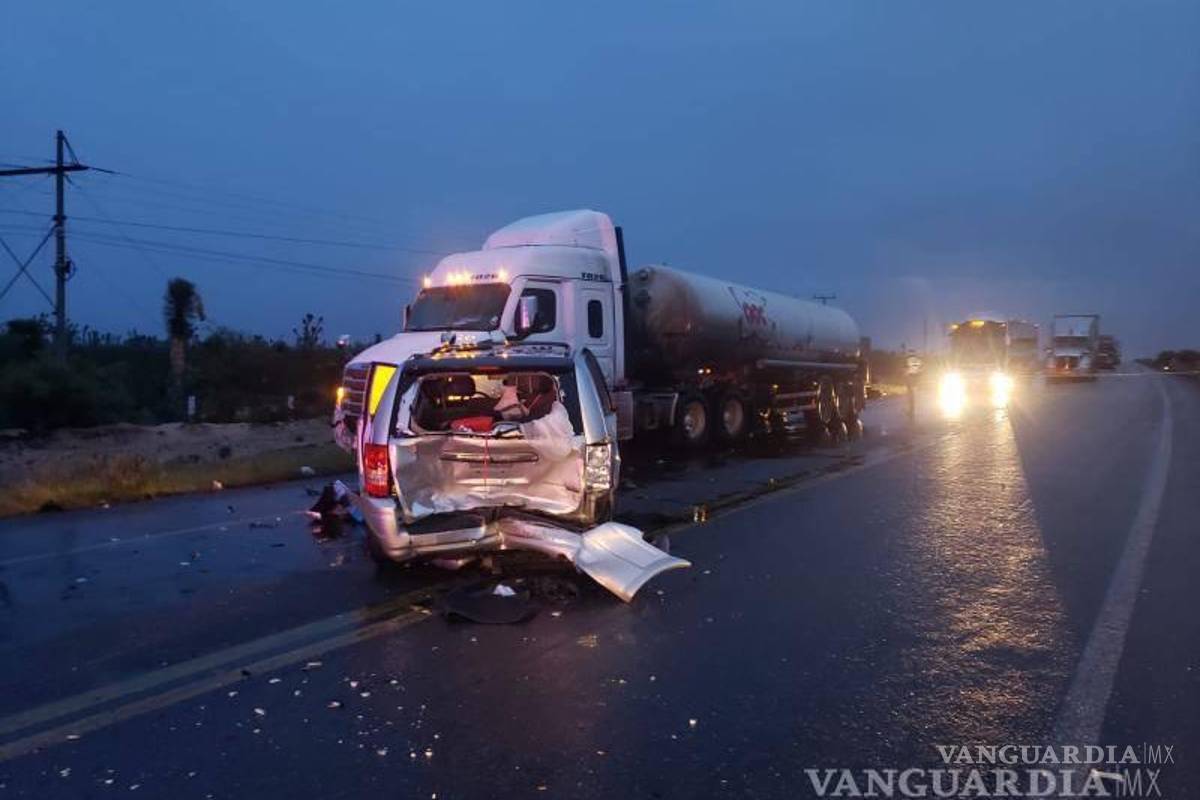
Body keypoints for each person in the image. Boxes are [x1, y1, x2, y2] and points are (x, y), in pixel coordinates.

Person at [904, 349, 923, 418]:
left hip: (910, 377)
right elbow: (921, 368)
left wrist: (905, 375)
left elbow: (905, 368)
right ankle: (912, 408)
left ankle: (911, 409)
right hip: (916, 377)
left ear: (910, 353)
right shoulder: (918, 360)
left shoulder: (908, 359)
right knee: (913, 393)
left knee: (910, 394)